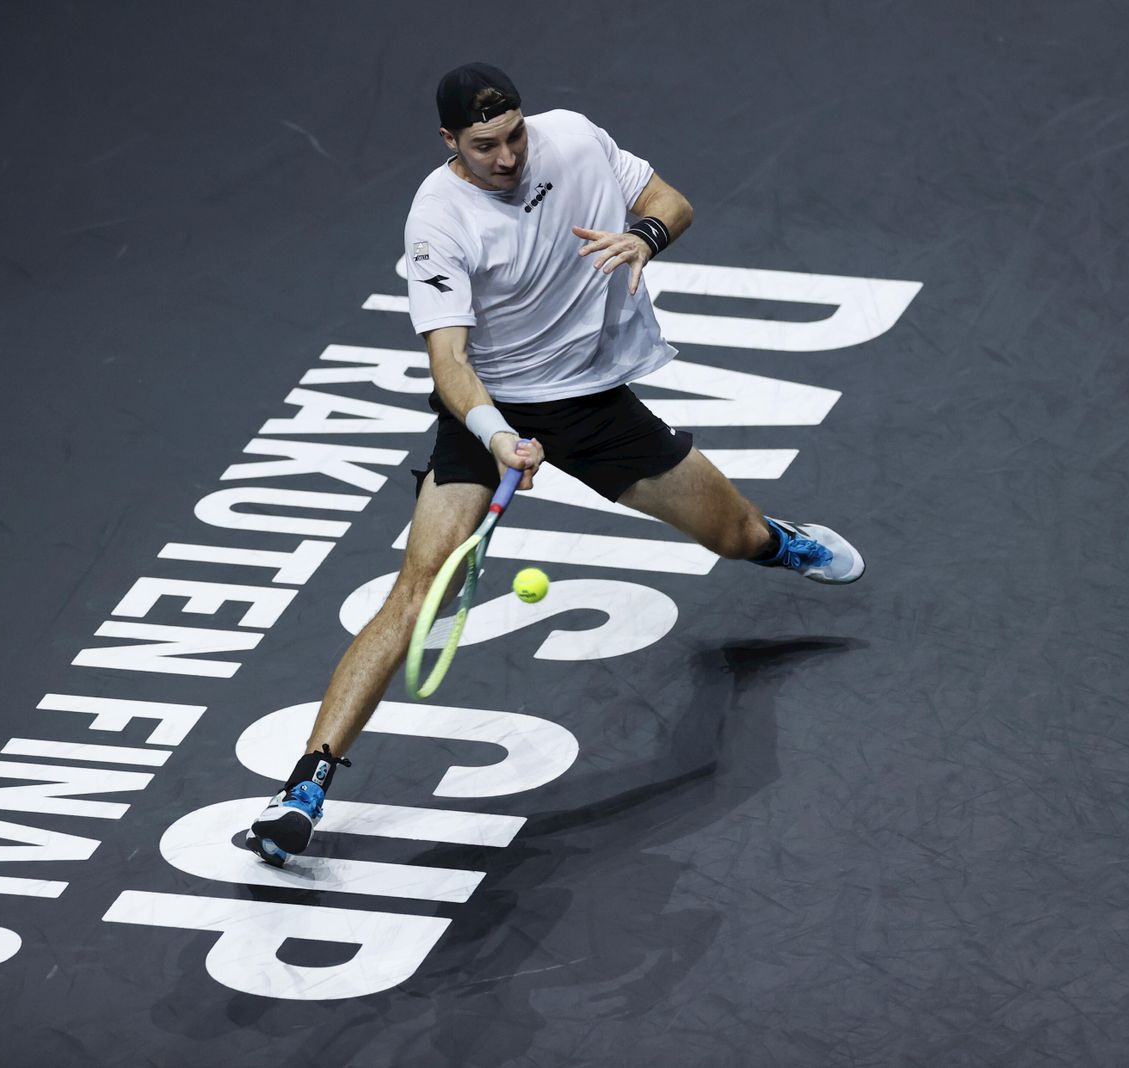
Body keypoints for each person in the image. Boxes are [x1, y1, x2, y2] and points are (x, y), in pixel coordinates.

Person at [245, 62, 863, 866]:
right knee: (415, 589)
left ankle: (780, 542)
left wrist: (642, 239)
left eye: (513, 137)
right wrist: (498, 435)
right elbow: (449, 364)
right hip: (487, 412)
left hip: (592, 404)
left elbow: (670, 203)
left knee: (734, 535)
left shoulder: (573, 138)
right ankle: (304, 788)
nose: (506, 159)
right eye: (483, 146)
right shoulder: (437, 221)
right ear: (447, 143)